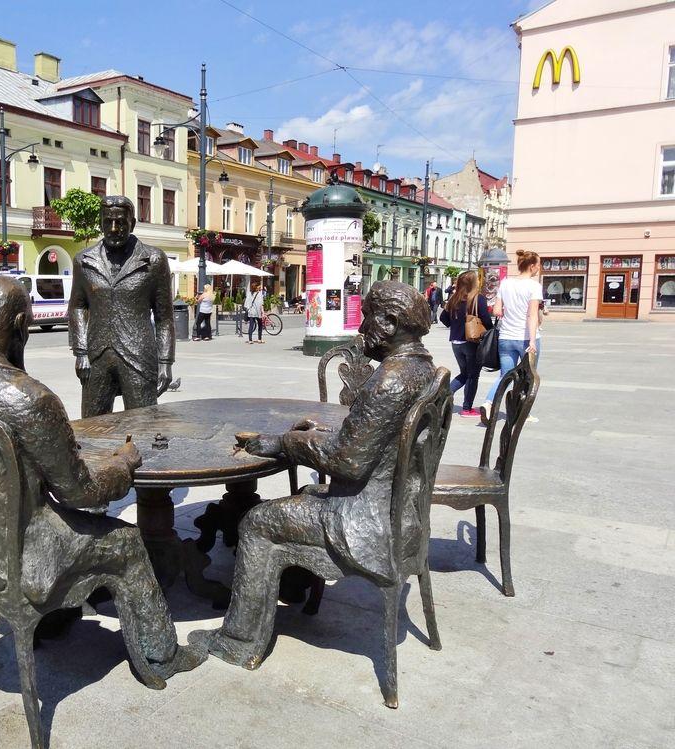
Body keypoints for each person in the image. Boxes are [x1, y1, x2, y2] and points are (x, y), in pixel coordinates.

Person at [0, 274, 202, 684]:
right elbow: (79, 492)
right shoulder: (27, 397)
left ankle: (53, 619)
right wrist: (123, 463)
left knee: (64, 522)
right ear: (19, 324)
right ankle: (162, 657)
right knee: (126, 539)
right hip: (25, 559)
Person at [188, 281, 435, 670]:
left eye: (368, 317)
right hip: (402, 514)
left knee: (256, 522)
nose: (361, 326)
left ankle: (238, 641)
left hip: (367, 522)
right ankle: (287, 583)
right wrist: (316, 435)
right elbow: (372, 442)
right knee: (304, 493)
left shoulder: (391, 379)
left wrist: (288, 442)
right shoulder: (422, 369)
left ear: (389, 322)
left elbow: (349, 463)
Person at [68, 195, 175, 418]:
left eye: (121, 222)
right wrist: (80, 352)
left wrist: (165, 361)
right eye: (108, 222)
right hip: (96, 355)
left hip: (138, 354)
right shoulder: (84, 261)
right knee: (92, 427)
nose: (114, 228)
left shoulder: (154, 260)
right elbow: (78, 307)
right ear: (101, 223)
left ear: (133, 223)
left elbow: (164, 316)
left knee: (143, 423)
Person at [480, 249, 543, 425]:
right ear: (531, 266)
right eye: (538, 264)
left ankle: (488, 402)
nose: (539, 268)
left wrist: (511, 312)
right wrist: (532, 341)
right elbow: (532, 315)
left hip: (506, 337)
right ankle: (520, 413)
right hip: (525, 338)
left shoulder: (506, 283)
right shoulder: (534, 287)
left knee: (505, 375)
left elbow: (497, 310)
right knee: (527, 377)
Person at [439, 270, 492, 418]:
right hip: (471, 342)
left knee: (465, 373)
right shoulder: (477, 298)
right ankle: (467, 409)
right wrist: (491, 332)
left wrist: (456, 326)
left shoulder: (454, 298)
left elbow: (443, 318)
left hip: (456, 342)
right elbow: (486, 320)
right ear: (473, 283)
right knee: (472, 375)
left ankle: (443, 396)